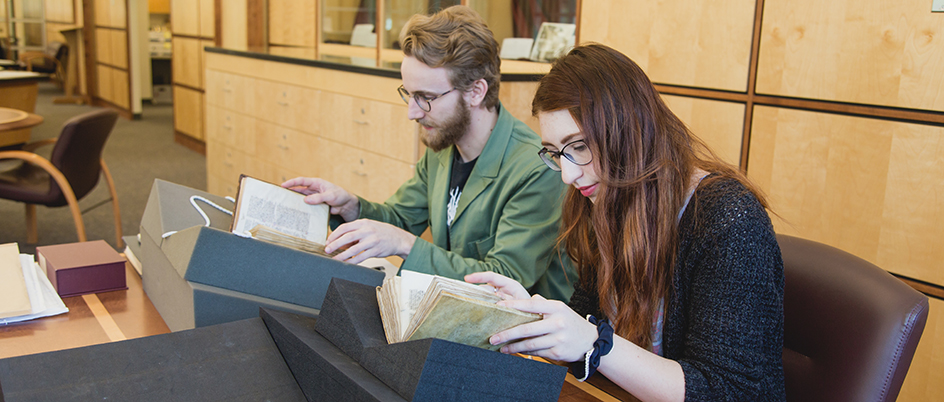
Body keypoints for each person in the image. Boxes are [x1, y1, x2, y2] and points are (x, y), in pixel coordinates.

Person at [466, 43, 785, 401]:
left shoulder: (728, 218)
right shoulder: (604, 198)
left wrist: (594, 345)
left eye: (580, 146)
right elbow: (586, 320)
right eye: (556, 153)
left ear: (627, 130)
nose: (568, 174)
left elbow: (725, 391)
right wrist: (533, 319)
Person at [282, 6, 575, 302]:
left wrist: (406, 245)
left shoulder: (536, 169)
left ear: (476, 92)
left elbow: (501, 280)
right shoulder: (444, 146)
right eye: (409, 94)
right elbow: (399, 219)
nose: (412, 112)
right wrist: (351, 207)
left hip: (523, 337)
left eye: (426, 97)